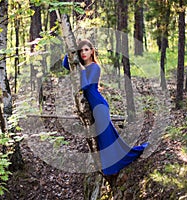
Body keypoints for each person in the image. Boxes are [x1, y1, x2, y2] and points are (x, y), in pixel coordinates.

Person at [62, 39, 148, 176]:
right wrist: (70, 50)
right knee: (109, 137)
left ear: (92, 51)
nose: (83, 53)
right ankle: (117, 161)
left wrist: (80, 70)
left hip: (99, 106)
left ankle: (112, 168)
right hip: (92, 107)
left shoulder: (95, 67)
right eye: (81, 50)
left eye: (86, 50)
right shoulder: (81, 67)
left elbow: (86, 85)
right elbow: (65, 64)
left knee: (105, 137)